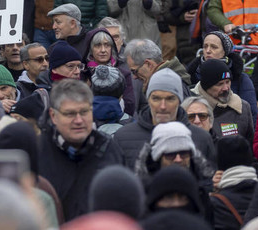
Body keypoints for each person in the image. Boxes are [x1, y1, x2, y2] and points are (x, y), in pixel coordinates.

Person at [37, 79, 126, 219]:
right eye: (70, 114)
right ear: (53, 116)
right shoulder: (38, 152)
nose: (79, 120)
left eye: (84, 112)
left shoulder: (109, 149)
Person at [112, 68, 214, 166]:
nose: (163, 106)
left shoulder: (201, 138)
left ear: (179, 101)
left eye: (170, 99)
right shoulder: (123, 138)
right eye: (156, 98)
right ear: (148, 100)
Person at [193, 58, 254, 142]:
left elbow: (250, 144)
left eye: (228, 82)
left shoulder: (242, 107)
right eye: (220, 84)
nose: (226, 88)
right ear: (206, 86)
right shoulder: (191, 108)